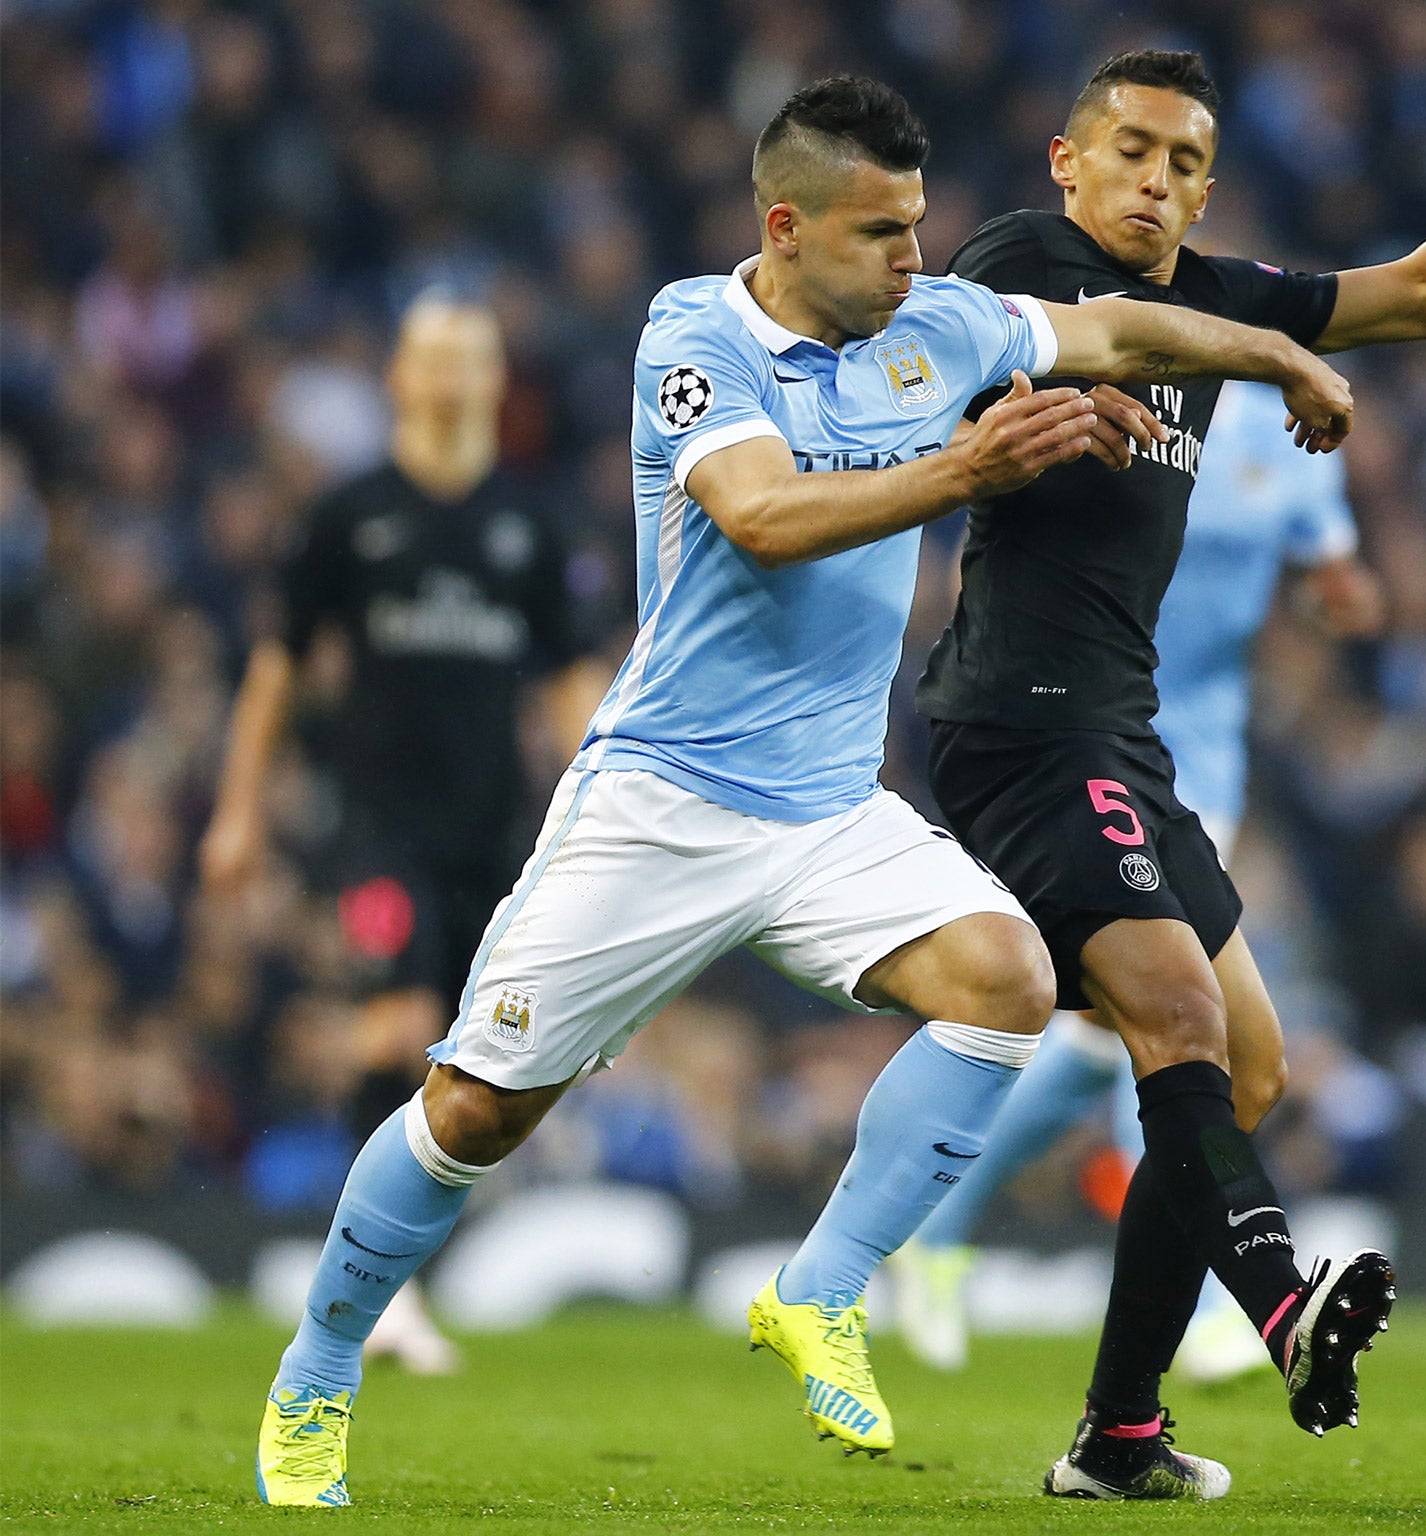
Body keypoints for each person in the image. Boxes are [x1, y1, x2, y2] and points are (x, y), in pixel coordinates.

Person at [249, 74, 1355, 1507]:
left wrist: (1272, 354)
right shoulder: (696, 333)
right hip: (660, 802)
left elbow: (1125, 325)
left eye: (920, 226)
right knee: (473, 1113)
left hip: (830, 810)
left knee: (1009, 977)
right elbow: (762, 517)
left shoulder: (942, 326)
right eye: (885, 233)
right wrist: (964, 466)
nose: (918, 259)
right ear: (789, 225)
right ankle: (318, 1376)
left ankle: (821, 1286)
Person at [913, 39, 1426, 1499]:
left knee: (1247, 1067)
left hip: (1119, 733)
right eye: (1133, 149)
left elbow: (1425, 294)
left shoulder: (1209, 292)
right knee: (1180, 1017)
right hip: (1017, 720)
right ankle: (1278, 1302)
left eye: (1187, 162)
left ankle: (1119, 1436)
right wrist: (1270, 350)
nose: (1157, 180)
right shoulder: (1022, 259)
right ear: (1073, 161)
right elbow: (1112, 339)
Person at [892, 377, 1379, 1384]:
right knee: (1172, 1019)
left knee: (1111, 1034)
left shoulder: (1277, 433)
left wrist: (1339, 594)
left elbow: (1330, 564)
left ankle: (930, 1225)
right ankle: (1212, 1302)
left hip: (1198, 760)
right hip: (1075, 737)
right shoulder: (1095, 402)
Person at [201, 294, 605, 1375]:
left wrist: (602, 808)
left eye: (469, 360)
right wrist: (240, 811)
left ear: (491, 381)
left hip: (492, 835)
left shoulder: (530, 520)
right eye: (430, 358)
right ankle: (378, 1293)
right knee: (394, 1024)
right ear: (398, 376)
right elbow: (278, 666)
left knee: (467, 1064)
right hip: (375, 828)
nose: (448, 377)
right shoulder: (347, 516)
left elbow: (570, 682)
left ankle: (386, 1278)